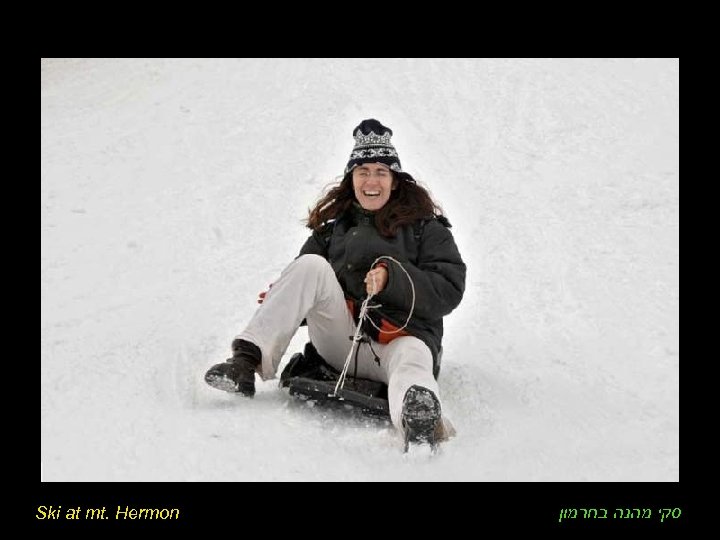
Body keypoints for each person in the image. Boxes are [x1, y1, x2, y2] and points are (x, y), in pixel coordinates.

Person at [204, 118, 466, 449]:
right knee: (310, 265)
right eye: (363, 172)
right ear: (351, 179)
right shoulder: (330, 232)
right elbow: (308, 286)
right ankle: (245, 362)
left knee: (412, 361)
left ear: (395, 181)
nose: (372, 180)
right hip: (341, 344)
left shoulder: (426, 230)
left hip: (399, 342)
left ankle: (418, 416)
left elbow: (449, 288)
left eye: (381, 172)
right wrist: (282, 299)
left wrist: (392, 278)